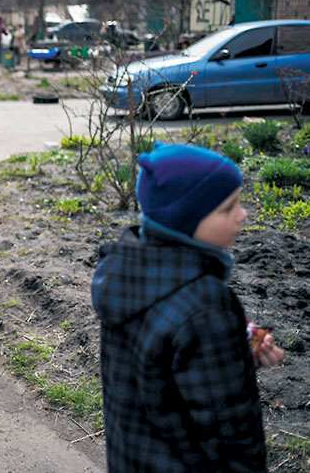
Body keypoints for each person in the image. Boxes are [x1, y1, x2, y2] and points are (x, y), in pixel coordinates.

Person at [92, 143, 285, 471]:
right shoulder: (207, 306)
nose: (243, 214)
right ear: (184, 222)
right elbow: (230, 433)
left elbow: (161, 351)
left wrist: (241, 341)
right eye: (228, 208)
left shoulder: (122, 272)